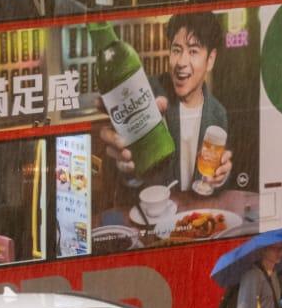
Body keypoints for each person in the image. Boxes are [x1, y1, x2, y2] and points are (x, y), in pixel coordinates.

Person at [98, 11, 235, 194]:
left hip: (193, 217)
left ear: (210, 60)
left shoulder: (218, 113)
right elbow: (124, 177)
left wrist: (220, 178)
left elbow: (215, 182)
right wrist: (126, 168)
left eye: (193, 51)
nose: (181, 62)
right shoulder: (147, 94)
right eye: (176, 50)